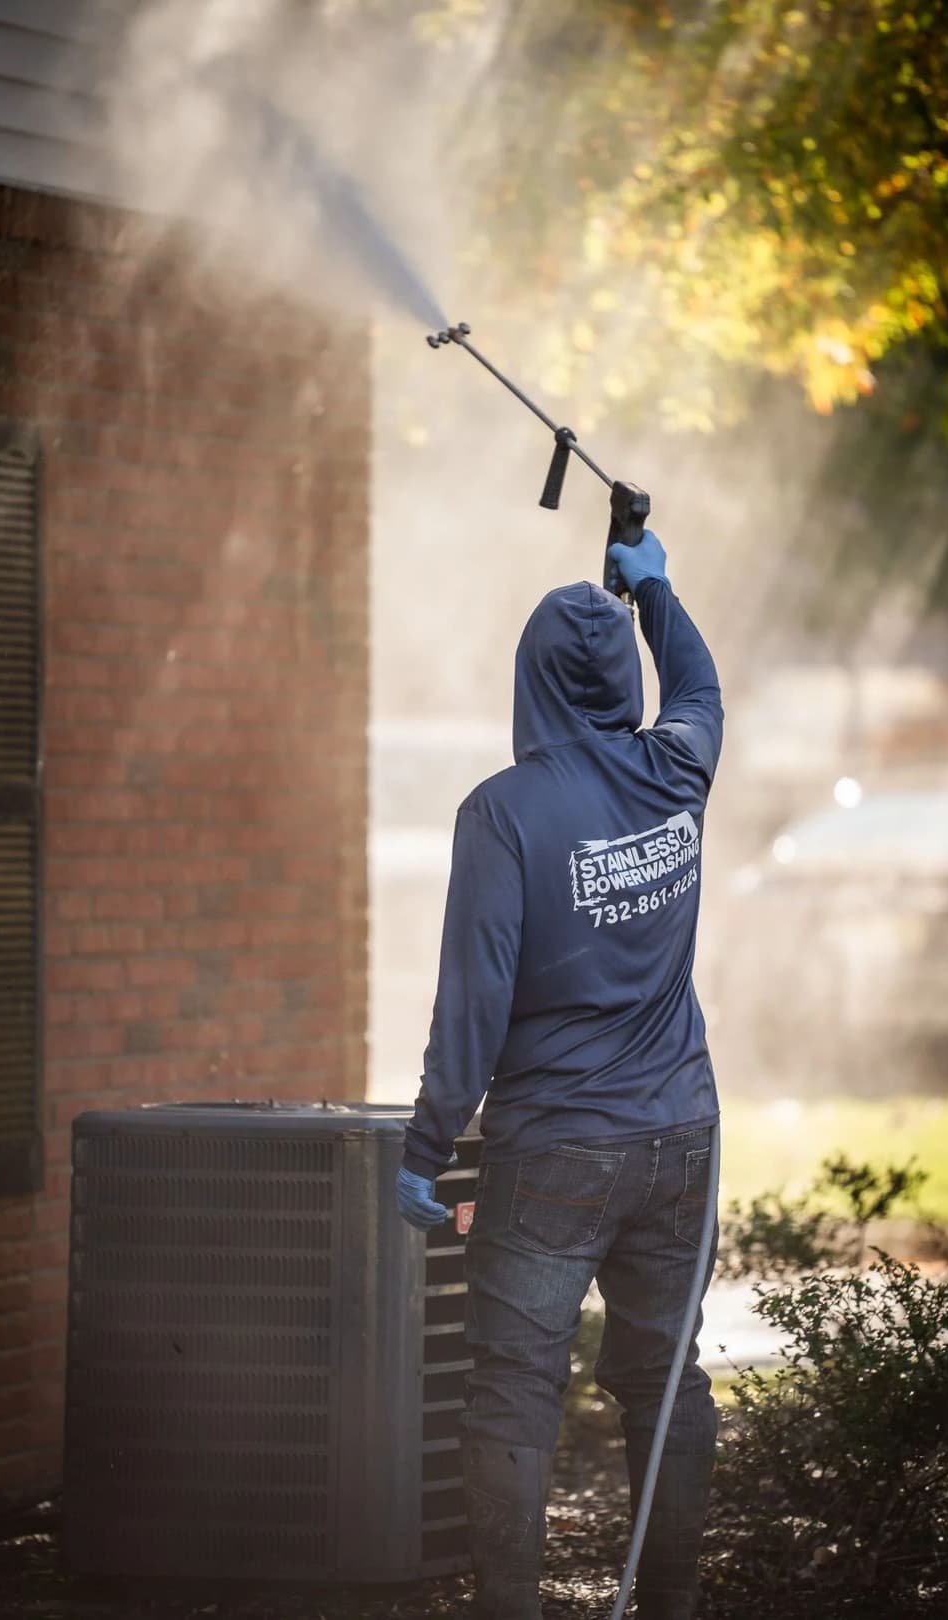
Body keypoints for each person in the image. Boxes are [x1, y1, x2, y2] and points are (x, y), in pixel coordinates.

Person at [396, 529, 724, 1620]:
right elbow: (701, 691)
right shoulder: (678, 764)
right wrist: (659, 597)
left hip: (552, 1154)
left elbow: (474, 1007)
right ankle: (668, 1605)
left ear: (532, 679)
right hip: (682, 1138)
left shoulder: (505, 813)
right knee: (667, 1380)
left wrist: (426, 1147)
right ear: (621, 676)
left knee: (512, 1397)